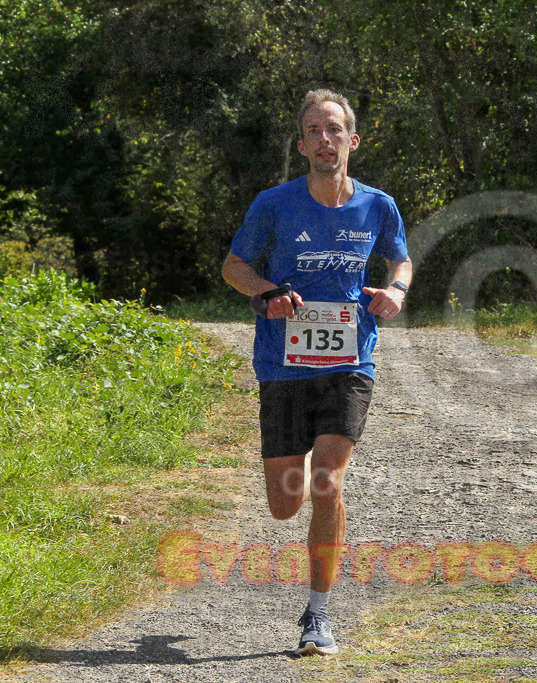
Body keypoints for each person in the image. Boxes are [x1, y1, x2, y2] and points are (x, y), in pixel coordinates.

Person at [221, 88, 412, 656]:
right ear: (302, 144)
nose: (324, 140)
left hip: (351, 359)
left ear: (352, 141)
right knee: (285, 503)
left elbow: (399, 256)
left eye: (335, 130)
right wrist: (267, 292)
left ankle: (319, 616)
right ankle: (300, 457)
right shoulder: (274, 204)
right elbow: (234, 266)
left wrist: (396, 289)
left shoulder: (378, 205)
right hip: (283, 363)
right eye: (314, 131)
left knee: (329, 480)